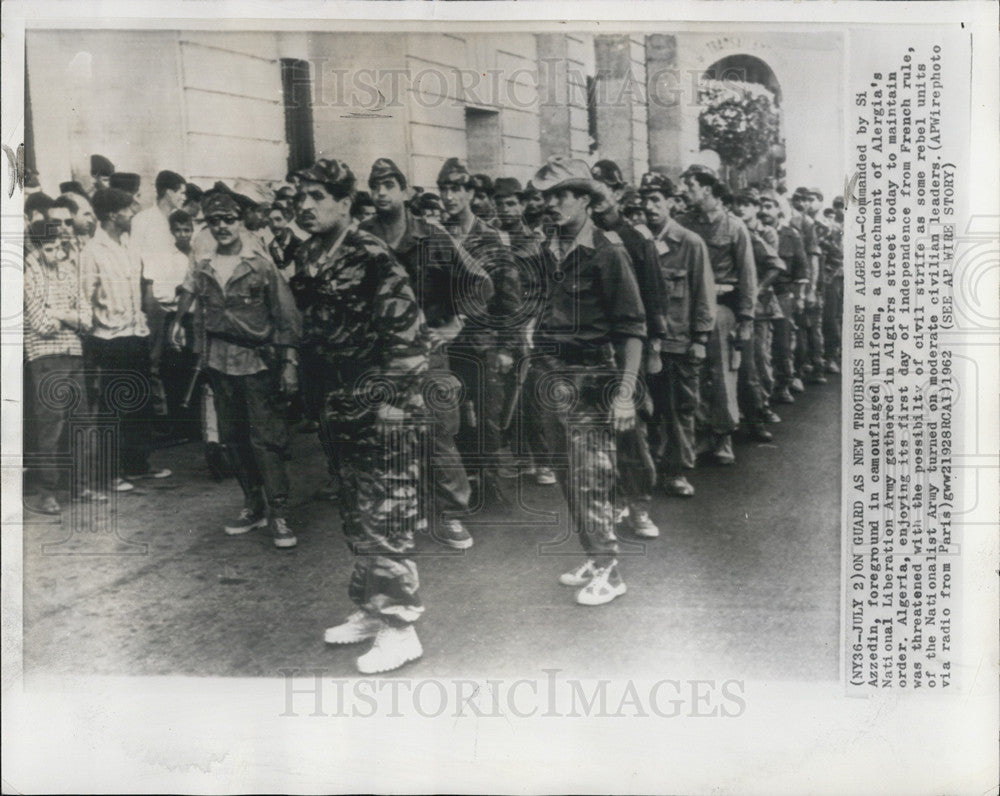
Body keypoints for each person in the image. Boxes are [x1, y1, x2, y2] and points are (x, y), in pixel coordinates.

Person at [287, 158, 430, 674]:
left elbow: (410, 343)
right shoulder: (309, 254)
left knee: (387, 515)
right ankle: (373, 609)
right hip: (339, 404)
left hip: (382, 404)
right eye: (300, 198)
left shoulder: (373, 256)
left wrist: (392, 405)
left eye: (317, 198)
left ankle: (401, 628)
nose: (305, 206)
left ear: (346, 203)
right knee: (355, 512)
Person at [528, 156, 646, 606]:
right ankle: (595, 557)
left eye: (561, 195)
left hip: (590, 376)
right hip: (548, 375)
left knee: (590, 475)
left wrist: (625, 395)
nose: (552, 204)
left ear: (584, 199)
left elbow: (633, 328)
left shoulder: (607, 251)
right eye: (547, 197)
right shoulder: (546, 249)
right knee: (565, 473)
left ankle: (610, 568)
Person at [362, 156, 490, 550]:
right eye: (375, 186)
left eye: (389, 185)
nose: (381, 192)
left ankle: (452, 514)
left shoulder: (433, 236)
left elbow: (481, 284)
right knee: (390, 435)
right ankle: (406, 509)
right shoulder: (362, 238)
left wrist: (456, 324)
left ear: (404, 191)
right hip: (382, 356)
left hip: (428, 354)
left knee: (439, 433)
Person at [171, 185, 300, 547]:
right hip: (219, 362)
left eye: (228, 219)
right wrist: (188, 337)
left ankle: (279, 512)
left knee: (266, 440)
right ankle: (253, 504)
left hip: (257, 362)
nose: (222, 226)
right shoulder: (204, 264)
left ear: (240, 222)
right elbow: (196, 305)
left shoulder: (260, 264)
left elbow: (286, 316)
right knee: (233, 438)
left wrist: (289, 362)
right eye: (214, 221)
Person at [437, 157, 521, 508]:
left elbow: (509, 297)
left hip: (484, 343)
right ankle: (461, 491)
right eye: (444, 189)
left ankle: (494, 493)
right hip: (449, 345)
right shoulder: (437, 235)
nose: (449, 196)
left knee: (488, 420)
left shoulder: (491, 237)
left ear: (471, 193)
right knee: (452, 422)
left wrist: (507, 348)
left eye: (456, 189)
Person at [590, 165, 668, 537]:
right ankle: (611, 501)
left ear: (619, 192)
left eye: (605, 186)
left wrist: (653, 348)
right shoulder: (582, 236)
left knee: (632, 430)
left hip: (627, 348)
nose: (599, 194)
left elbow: (654, 300)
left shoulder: (637, 240)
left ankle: (638, 506)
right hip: (592, 349)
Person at [81, 188, 172, 492]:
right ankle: (111, 473)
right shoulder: (93, 251)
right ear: (112, 215)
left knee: (139, 403)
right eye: (128, 209)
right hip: (109, 339)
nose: (132, 214)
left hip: (136, 334)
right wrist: (94, 338)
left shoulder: (130, 246)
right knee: (112, 408)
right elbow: (85, 297)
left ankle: (137, 465)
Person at [638, 171, 716, 499]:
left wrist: (700, 339)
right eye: (645, 199)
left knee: (679, 408)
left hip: (678, 342)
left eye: (657, 199)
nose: (649, 206)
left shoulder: (689, 243)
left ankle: (678, 471)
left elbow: (703, 294)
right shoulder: (637, 241)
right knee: (646, 408)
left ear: (672, 202)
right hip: (643, 342)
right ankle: (648, 468)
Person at [679, 164, 757, 466]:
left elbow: (748, 276)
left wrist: (746, 318)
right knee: (690, 372)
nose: (686, 192)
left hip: (720, 308)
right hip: (686, 308)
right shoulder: (683, 223)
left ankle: (723, 435)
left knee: (722, 373)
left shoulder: (734, 227)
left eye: (691, 187)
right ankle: (701, 431)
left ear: (707, 189)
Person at [23, 221, 103, 514]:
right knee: (51, 427)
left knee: (82, 423)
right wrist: (68, 317)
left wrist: (57, 312)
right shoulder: (28, 275)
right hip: (45, 359)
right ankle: (47, 492)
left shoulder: (68, 269)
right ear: (36, 246)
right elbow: (42, 326)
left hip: (73, 353)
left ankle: (82, 486)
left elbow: (86, 317)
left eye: (60, 246)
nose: (57, 252)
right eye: (50, 248)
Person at [491, 177, 549, 483]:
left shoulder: (533, 242)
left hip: (526, 327)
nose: (505, 209)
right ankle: (513, 456)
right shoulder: (490, 236)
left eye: (511, 203)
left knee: (530, 395)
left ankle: (540, 460)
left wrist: (529, 326)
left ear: (523, 204)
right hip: (498, 326)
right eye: (500, 203)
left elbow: (542, 290)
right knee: (501, 393)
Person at [132, 170, 190, 424]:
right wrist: (143, 298)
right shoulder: (144, 220)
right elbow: (136, 259)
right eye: (181, 192)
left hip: (180, 298)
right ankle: (159, 415)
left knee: (178, 356)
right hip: (154, 295)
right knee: (153, 358)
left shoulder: (179, 220)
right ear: (169, 192)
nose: (184, 197)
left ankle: (180, 416)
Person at [732, 191, 785, 439]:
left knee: (758, 359)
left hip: (760, 306)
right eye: (738, 204)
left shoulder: (762, 234)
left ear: (754, 207)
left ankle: (760, 408)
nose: (741, 208)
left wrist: (756, 290)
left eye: (747, 204)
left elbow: (776, 266)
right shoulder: (733, 229)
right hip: (735, 303)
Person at [759, 192, 809, 405]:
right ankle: (763, 390)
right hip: (761, 294)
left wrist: (800, 297)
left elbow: (800, 269)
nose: (764, 211)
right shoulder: (754, 232)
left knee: (782, 342)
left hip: (782, 293)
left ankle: (782, 384)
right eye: (762, 206)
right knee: (761, 346)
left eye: (769, 206)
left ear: (779, 209)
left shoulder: (791, 235)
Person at [266, 201, 302, 275]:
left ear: (287, 220)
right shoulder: (269, 249)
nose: (274, 225)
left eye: (278, 219)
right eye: (270, 221)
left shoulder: (300, 245)